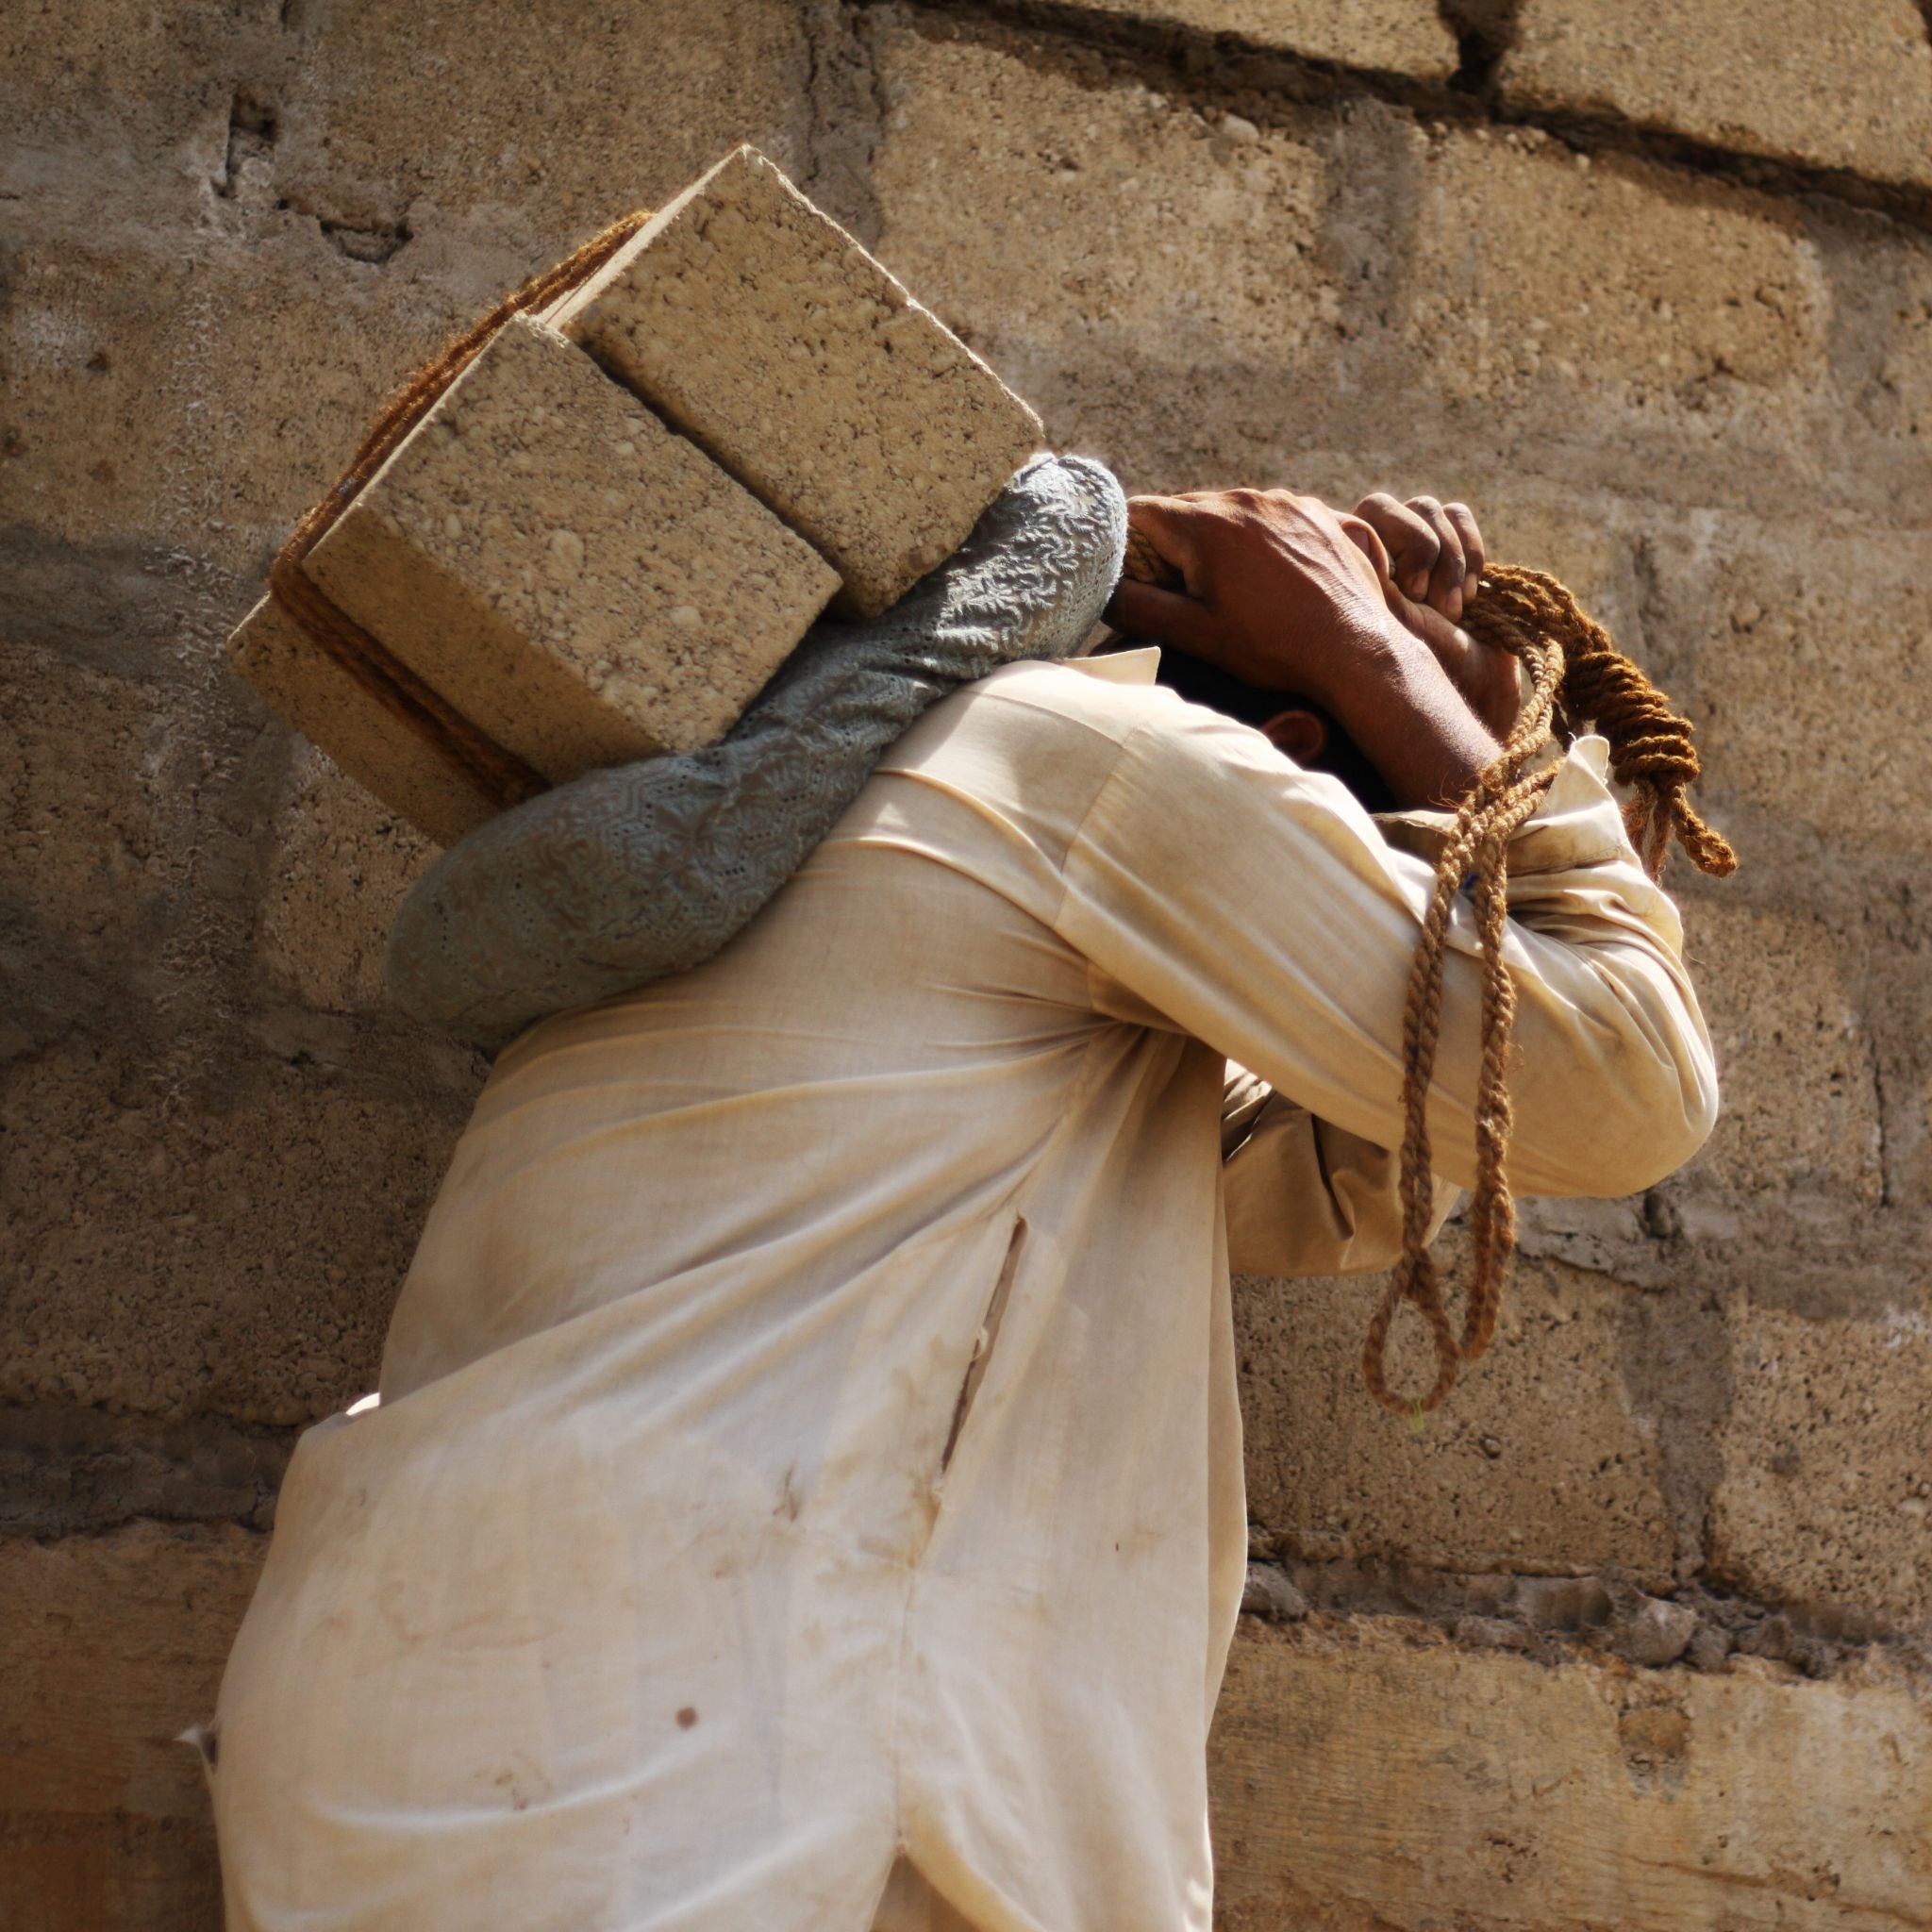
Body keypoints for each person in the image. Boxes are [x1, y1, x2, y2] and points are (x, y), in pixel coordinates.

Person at [206, 468, 1716, 1932]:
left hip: (423, 1731)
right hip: (713, 1761)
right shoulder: (1086, 768)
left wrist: (1438, 701)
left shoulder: (833, 831)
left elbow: (1331, 1173)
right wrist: (1411, 678)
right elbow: (1617, 1074)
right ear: (1295, 743)